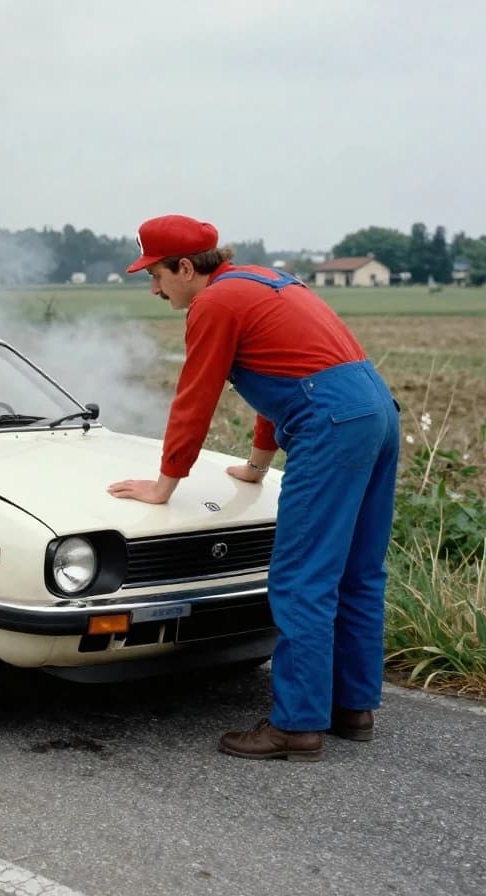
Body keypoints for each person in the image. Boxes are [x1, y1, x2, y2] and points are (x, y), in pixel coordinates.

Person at [108, 213, 400, 762]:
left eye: (156, 275)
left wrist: (164, 485)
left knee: (300, 578)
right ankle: (352, 707)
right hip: (375, 411)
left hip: (330, 424)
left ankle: (295, 725)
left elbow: (195, 399)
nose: (153, 288)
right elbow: (283, 380)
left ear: (187, 268)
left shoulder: (214, 305)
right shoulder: (264, 282)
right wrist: (257, 466)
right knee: (359, 571)